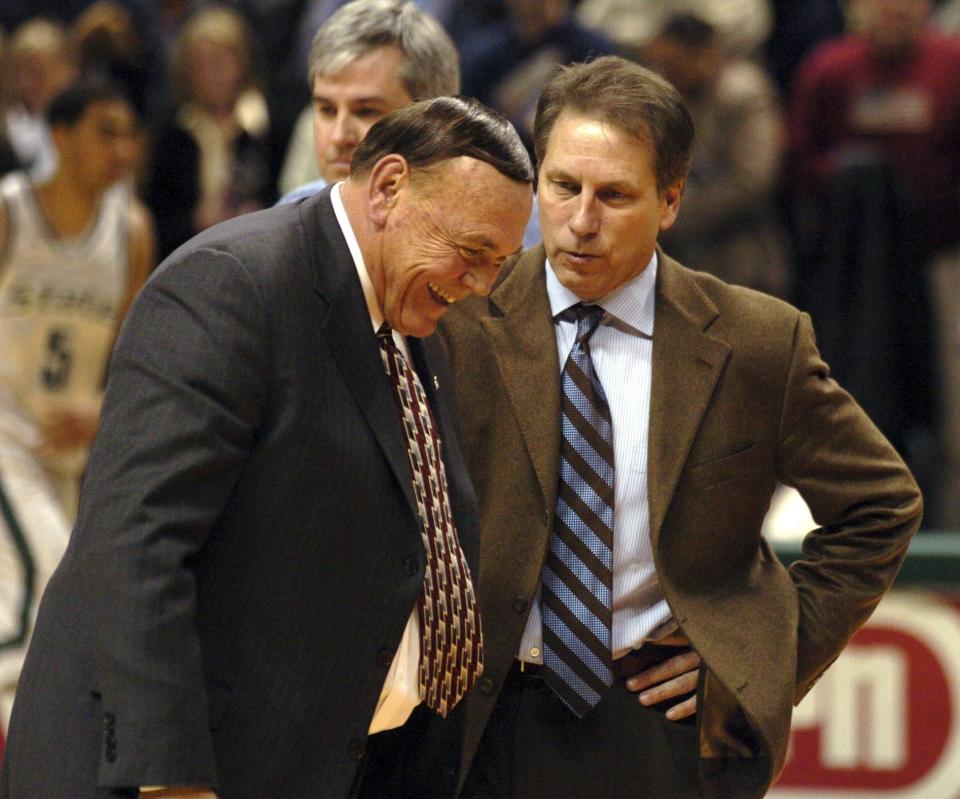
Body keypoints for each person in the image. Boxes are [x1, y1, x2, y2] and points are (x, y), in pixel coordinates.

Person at [0, 94, 533, 799]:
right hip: (174, 771)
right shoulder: (234, 283)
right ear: (389, 186)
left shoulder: (411, 318)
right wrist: (171, 778)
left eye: (500, 262)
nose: (480, 285)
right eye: (471, 252)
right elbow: (135, 543)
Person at [439, 55, 922, 799]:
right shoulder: (457, 316)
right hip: (473, 724)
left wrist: (760, 658)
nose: (581, 220)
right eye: (563, 185)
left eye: (616, 195)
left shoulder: (759, 341)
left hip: (658, 732)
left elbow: (881, 504)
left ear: (670, 202)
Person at [0, 80, 153, 735]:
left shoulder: (133, 228)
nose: (122, 148)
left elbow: (133, 351)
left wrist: (101, 406)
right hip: (5, 435)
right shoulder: (9, 210)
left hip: (66, 455)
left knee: (43, 601)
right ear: (59, 136)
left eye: (128, 133)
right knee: (48, 584)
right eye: (105, 131)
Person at [642, 12, 791, 298]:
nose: (664, 74)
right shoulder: (663, 99)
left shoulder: (744, 96)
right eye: (659, 66)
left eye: (673, 65)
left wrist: (669, 216)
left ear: (706, 55)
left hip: (741, 256)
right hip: (675, 259)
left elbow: (751, 182)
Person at [277, 0, 459, 202]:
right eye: (327, 110)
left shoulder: (478, 224)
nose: (339, 137)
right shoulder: (292, 215)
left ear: (434, 121)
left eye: (366, 112)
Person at [143, 6, 273, 261]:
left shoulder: (271, 126)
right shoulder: (172, 134)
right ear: (186, 72)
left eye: (222, 60)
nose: (214, 74)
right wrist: (195, 220)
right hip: (190, 258)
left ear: (242, 62)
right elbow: (155, 219)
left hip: (263, 255)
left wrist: (264, 216)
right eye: (202, 63)